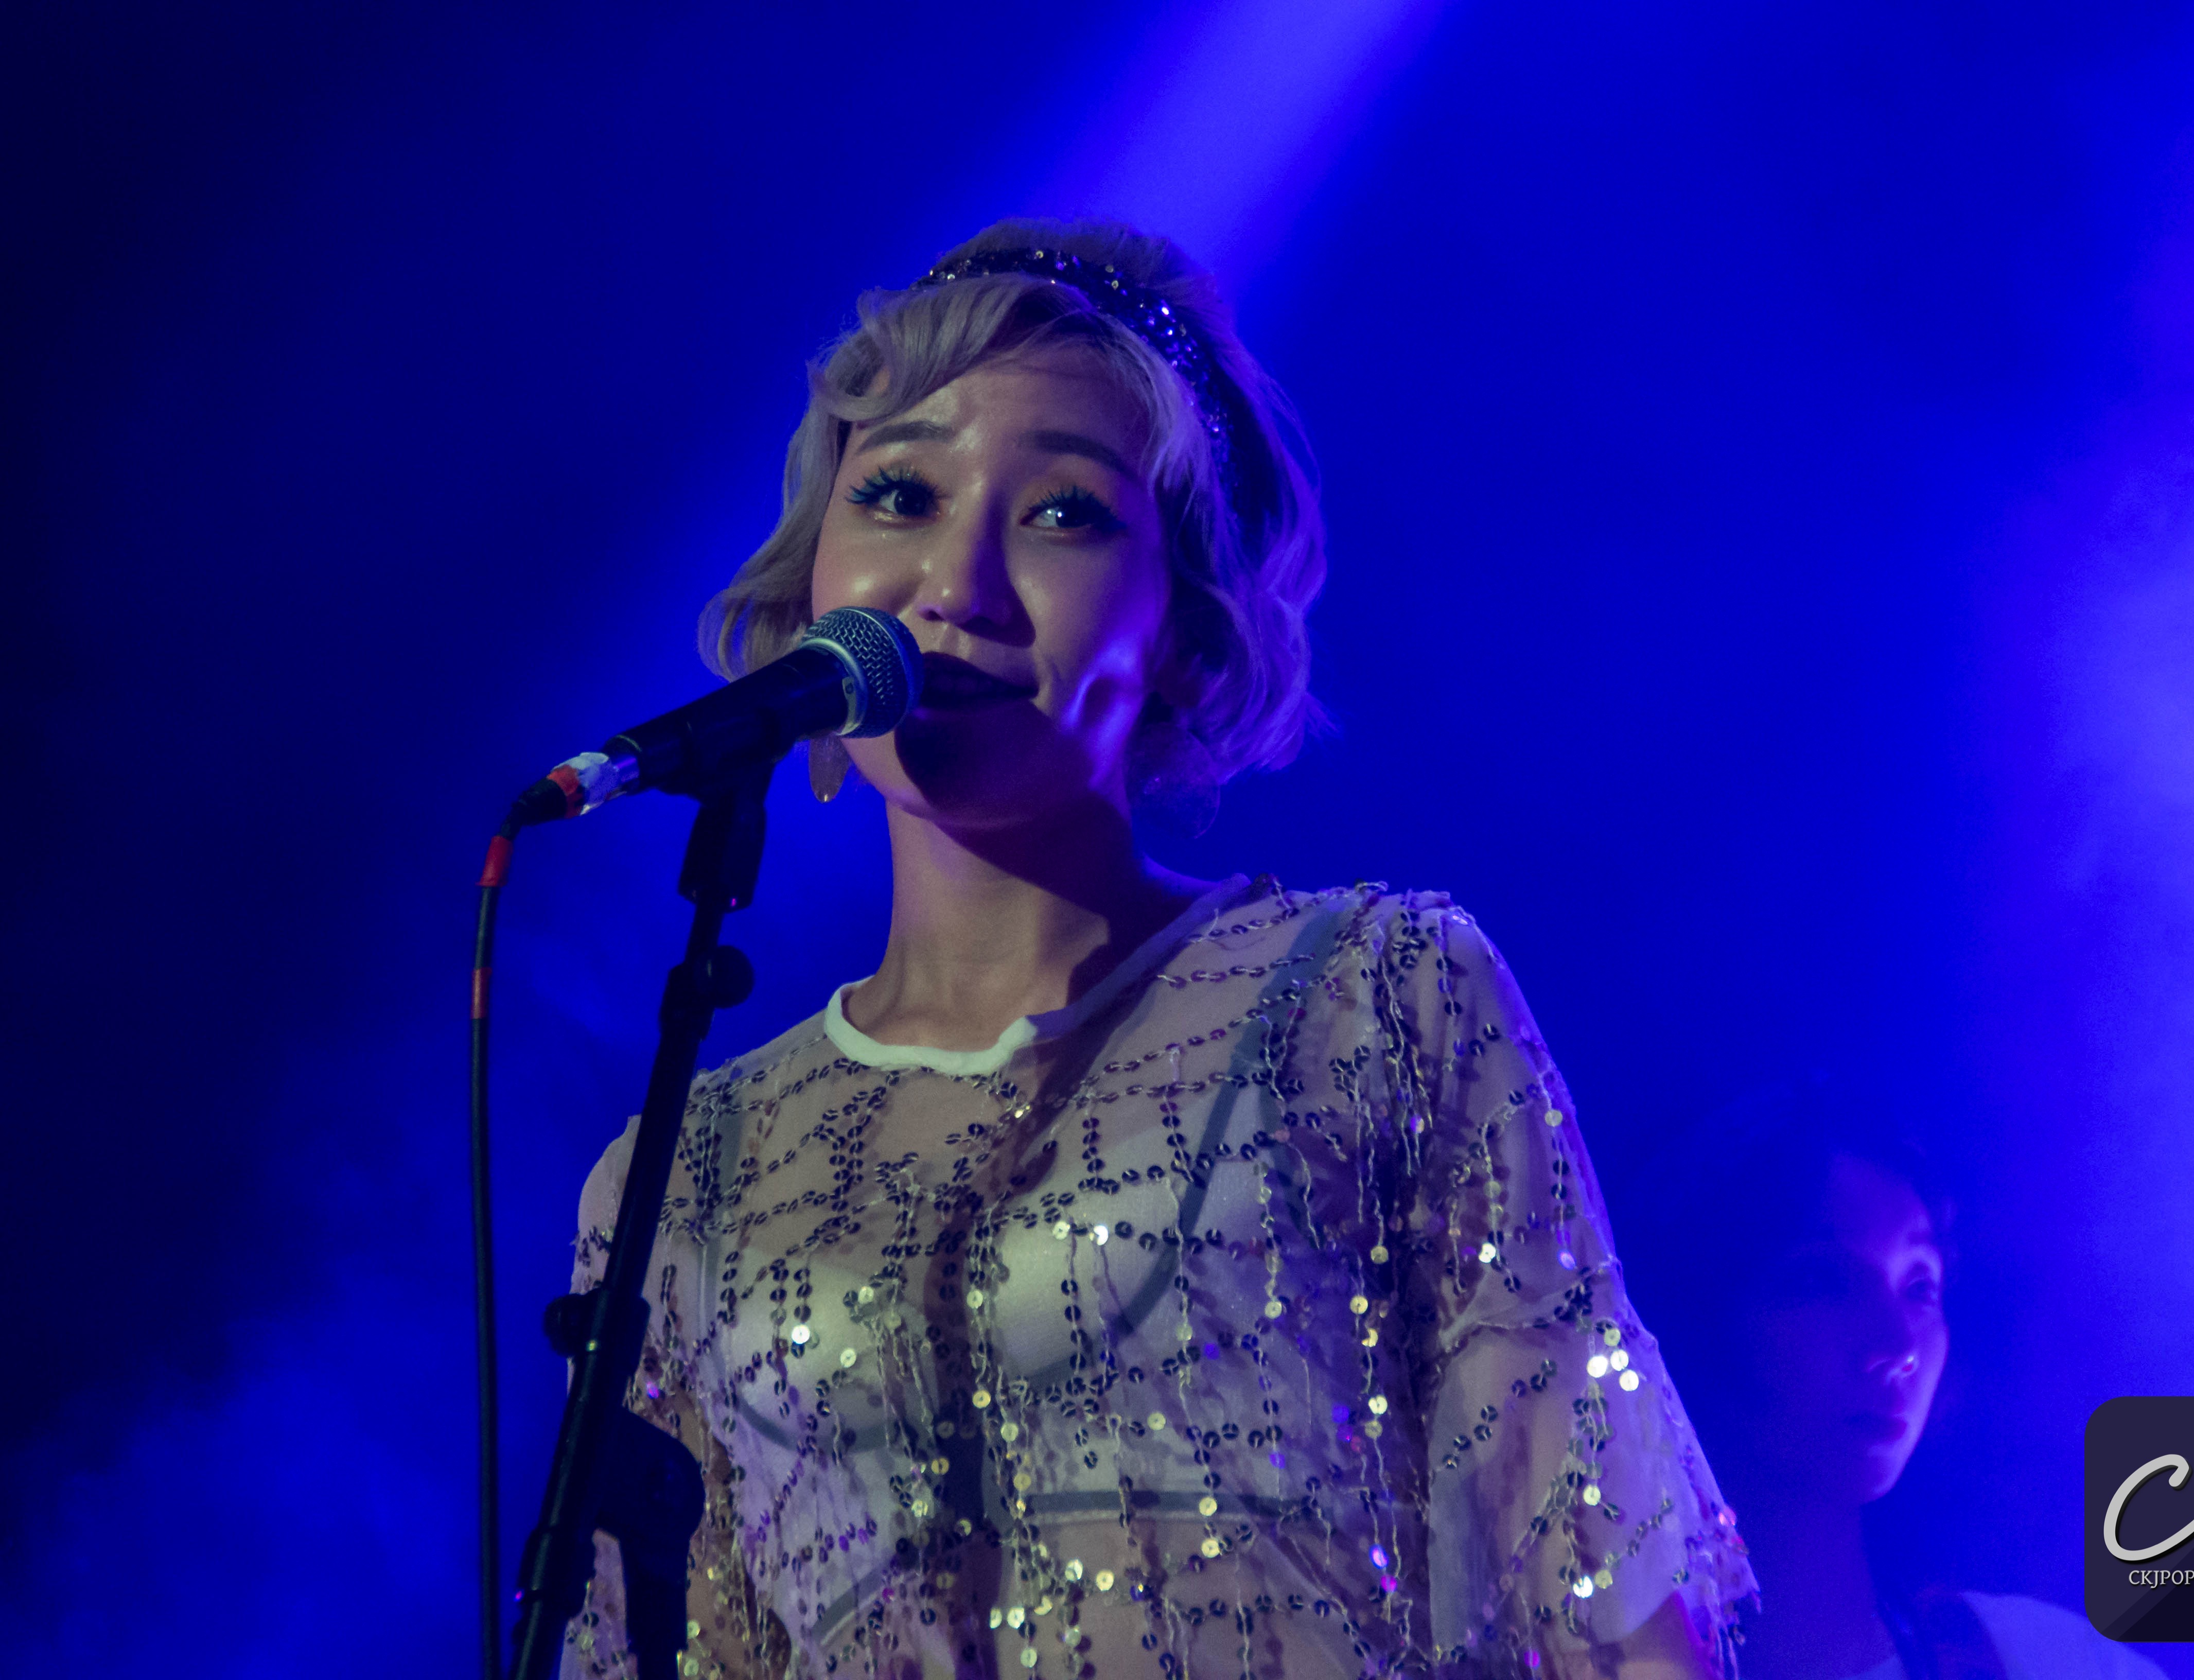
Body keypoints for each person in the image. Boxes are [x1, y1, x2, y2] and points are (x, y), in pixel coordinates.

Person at [561, 219, 1754, 1680]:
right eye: (900, 494)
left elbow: (1618, 1617)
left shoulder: (1374, 998)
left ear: (1186, 632)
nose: (957, 582)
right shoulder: (683, 1175)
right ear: (813, 581)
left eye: (1063, 513)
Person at [1613, 1083, 2168, 1680]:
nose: (1897, 1346)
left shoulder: (2049, 1663)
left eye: (1919, 1288)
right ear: (1698, 1316)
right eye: (1823, 1281)